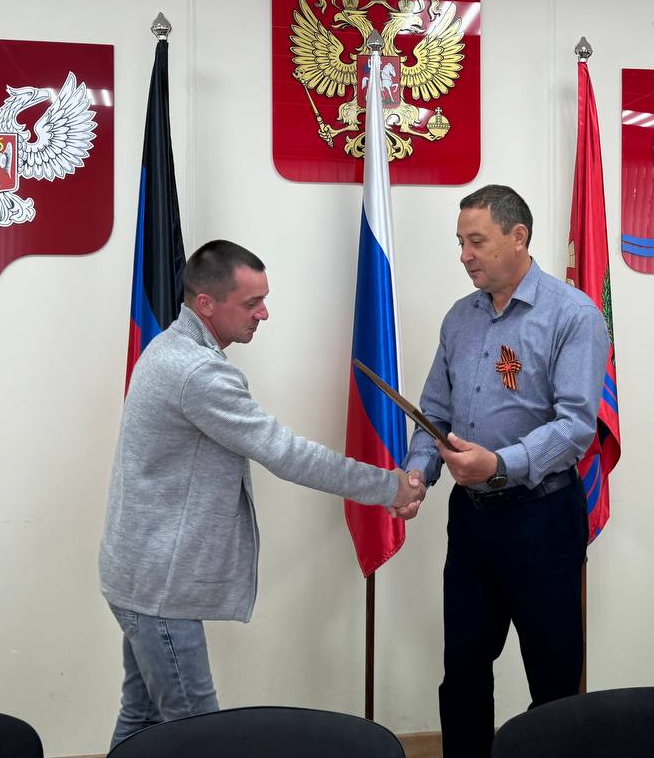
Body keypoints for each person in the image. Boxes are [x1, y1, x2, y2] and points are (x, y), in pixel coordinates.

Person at [98, 239, 424, 748]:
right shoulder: (197, 372)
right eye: (252, 303)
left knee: (141, 720)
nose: (264, 313)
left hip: (139, 576)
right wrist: (389, 485)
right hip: (157, 588)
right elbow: (287, 454)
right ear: (206, 303)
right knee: (200, 737)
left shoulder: (167, 348)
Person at [402, 184, 609, 758]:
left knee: (553, 676)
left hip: (542, 519)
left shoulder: (572, 315)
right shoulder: (459, 318)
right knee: (463, 670)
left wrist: (499, 464)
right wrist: (418, 474)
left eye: (476, 241)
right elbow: (434, 412)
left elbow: (575, 426)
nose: (464, 255)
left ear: (519, 237)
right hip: (472, 521)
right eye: (460, 243)